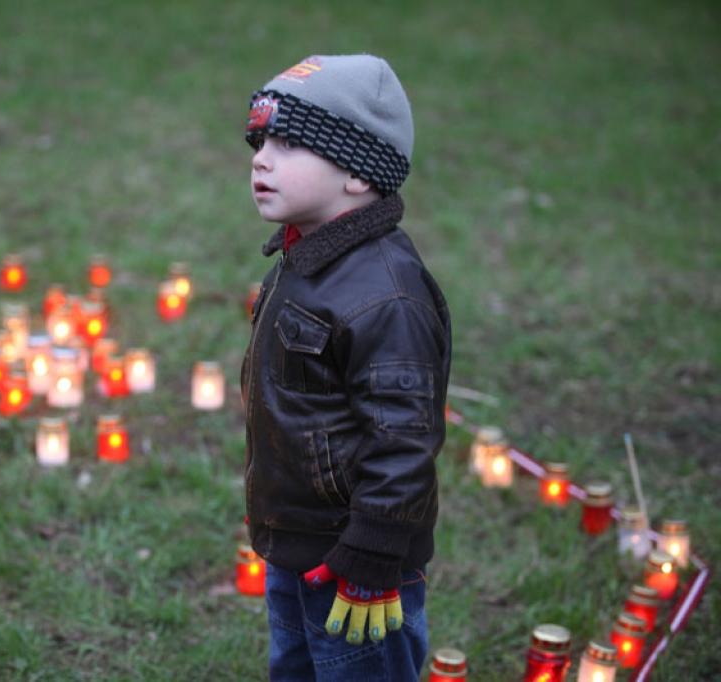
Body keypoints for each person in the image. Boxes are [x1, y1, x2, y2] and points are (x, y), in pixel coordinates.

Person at [241, 54, 452, 681]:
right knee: (299, 668)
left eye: (287, 143)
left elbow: (403, 441)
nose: (260, 159)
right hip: (298, 543)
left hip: (355, 560)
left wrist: (372, 552)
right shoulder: (305, 259)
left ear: (358, 172)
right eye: (258, 141)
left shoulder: (386, 296)